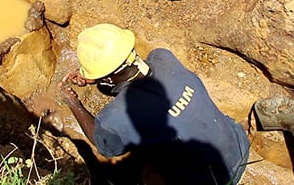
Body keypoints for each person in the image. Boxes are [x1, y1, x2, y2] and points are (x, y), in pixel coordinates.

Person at [58, 23, 250, 184]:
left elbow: (106, 145)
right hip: (238, 144)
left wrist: (73, 102)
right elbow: (136, 78)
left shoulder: (120, 113)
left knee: (147, 172)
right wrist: (96, 76)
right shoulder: (163, 57)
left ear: (107, 79)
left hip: (215, 178)